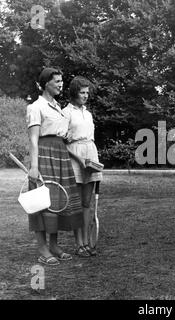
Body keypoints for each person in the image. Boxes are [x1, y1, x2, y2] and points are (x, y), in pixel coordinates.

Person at [27, 67, 84, 266]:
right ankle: (43, 249)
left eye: (61, 81)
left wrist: (65, 136)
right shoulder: (36, 107)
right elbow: (34, 139)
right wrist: (34, 167)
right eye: (56, 81)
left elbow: (57, 131)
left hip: (60, 153)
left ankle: (54, 246)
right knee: (42, 202)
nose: (61, 84)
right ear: (45, 84)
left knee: (59, 200)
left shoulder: (58, 107)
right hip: (44, 155)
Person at [62, 76, 103, 257]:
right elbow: (62, 142)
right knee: (77, 205)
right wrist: (78, 159)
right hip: (75, 157)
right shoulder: (66, 112)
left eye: (87, 93)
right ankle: (78, 244)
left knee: (87, 204)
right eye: (82, 92)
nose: (86, 96)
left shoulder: (88, 113)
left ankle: (87, 242)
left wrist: (93, 160)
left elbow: (90, 138)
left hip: (90, 155)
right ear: (74, 93)